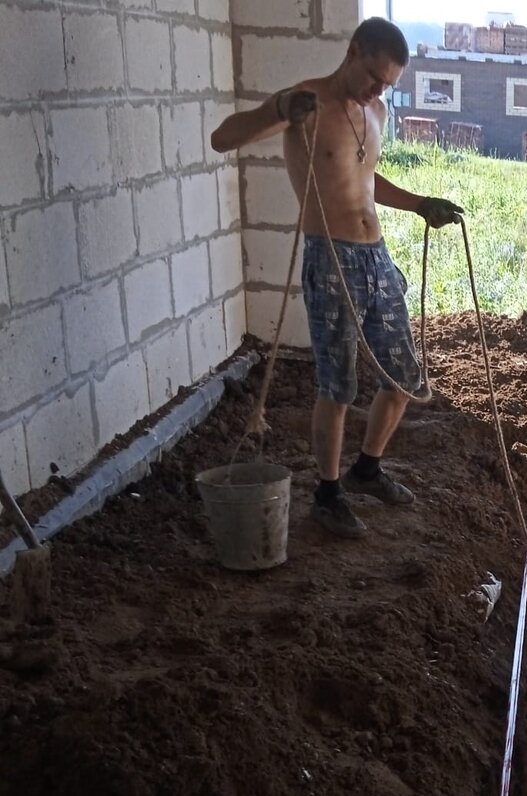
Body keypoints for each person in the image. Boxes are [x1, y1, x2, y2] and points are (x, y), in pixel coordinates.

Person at [210, 18, 463, 538]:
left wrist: (419, 205)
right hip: (330, 258)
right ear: (352, 52)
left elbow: (365, 179)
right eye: (373, 77)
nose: (378, 90)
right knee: (338, 385)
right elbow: (222, 138)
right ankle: (327, 495)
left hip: (376, 256)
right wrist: (278, 110)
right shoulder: (305, 102)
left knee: (403, 380)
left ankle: (367, 469)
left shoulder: (376, 110)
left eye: (388, 84)